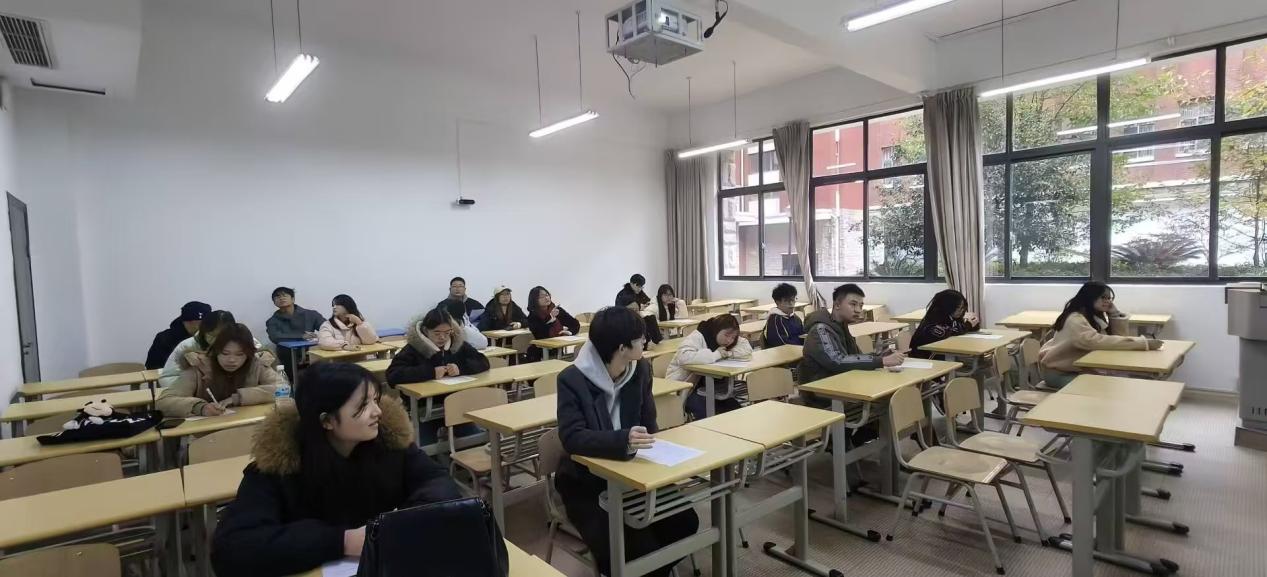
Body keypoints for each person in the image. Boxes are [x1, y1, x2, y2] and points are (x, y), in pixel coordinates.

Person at [211, 363, 462, 577]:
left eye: (375, 400)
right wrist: (342, 541)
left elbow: (438, 483)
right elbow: (232, 550)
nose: (378, 412)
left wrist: (400, 523)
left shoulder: (390, 445)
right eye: (363, 405)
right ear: (327, 420)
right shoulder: (277, 468)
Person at [555, 307, 699, 577]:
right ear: (621, 348)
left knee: (685, 523)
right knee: (635, 549)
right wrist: (623, 440)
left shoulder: (640, 368)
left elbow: (649, 423)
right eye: (639, 337)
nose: (645, 340)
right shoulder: (572, 379)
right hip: (586, 481)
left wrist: (655, 456)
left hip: (634, 471)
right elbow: (572, 437)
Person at [799, 284, 905, 410]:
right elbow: (837, 361)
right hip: (823, 395)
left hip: (844, 384)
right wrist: (881, 361)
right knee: (887, 400)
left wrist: (880, 355)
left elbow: (854, 356)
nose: (858, 310)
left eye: (861, 305)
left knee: (891, 393)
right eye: (853, 304)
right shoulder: (820, 330)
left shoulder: (841, 326)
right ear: (837, 305)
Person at [1039, 281, 1161, 388]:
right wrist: (1142, 343)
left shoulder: (1094, 316)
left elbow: (1117, 339)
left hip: (1077, 370)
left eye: (1109, 298)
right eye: (1103, 297)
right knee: (1105, 388)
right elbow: (1095, 341)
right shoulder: (1075, 318)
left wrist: (1114, 315)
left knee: (1118, 383)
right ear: (1090, 297)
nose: (1108, 301)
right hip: (1059, 373)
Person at [157, 324, 287, 418]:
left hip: (247, 427)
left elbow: (283, 389)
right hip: (206, 433)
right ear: (215, 351)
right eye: (225, 353)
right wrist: (200, 407)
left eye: (240, 354)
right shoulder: (199, 366)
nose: (231, 360)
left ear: (248, 354)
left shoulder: (256, 364)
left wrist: (237, 398)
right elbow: (164, 401)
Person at [666, 314, 753, 419]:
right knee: (707, 410)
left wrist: (729, 353)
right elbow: (683, 357)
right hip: (688, 389)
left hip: (713, 388)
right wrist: (715, 355)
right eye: (726, 335)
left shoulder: (728, 341)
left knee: (734, 408)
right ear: (717, 329)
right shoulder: (698, 336)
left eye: (733, 337)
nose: (729, 340)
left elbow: (747, 348)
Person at [159, 310, 264, 388]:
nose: (217, 341)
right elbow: (167, 377)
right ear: (203, 331)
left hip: (237, 397)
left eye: (222, 335)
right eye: (211, 335)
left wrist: (264, 354)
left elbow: (261, 363)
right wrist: (194, 388)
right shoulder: (187, 346)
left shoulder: (246, 341)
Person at [385, 308, 491, 386]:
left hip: (455, 396)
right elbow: (393, 375)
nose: (442, 337)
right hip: (423, 403)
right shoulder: (414, 348)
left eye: (447, 333)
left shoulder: (458, 344)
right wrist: (431, 372)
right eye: (437, 333)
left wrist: (460, 369)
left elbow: (483, 361)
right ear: (426, 330)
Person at [266, 287, 326, 379]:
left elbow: (326, 328)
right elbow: (274, 337)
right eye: (277, 297)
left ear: (293, 299)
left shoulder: (311, 314)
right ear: (274, 302)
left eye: (284, 295)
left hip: (311, 354)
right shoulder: (272, 321)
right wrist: (301, 336)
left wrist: (320, 336)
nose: (281, 298)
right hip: (288, 357)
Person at [908, 289, 981, 359]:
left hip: (940, 355)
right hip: (925, 358)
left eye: (963, 308)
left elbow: (961, 329)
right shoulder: (934, 319)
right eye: (959, 307)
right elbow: (947, 332)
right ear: (948, 306)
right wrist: (968, 325)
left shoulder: (951, 316)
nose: (961, 311)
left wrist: (972, 323)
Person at [145, 301, 211, 370]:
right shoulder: (164, 339)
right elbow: (153, 368)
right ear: (188, 321)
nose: (207, 327)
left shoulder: (209, 337)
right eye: (203, 323)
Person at [525, 286, 580, 362]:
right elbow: (541, 335)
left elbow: (575, 324)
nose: (546, 298)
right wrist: (550, 318)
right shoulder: (533, 316)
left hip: (558, 348)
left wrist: (569, 332)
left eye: (547, 295)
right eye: (542, 297)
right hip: (539, 352)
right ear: (534, 300)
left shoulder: (557, 311)